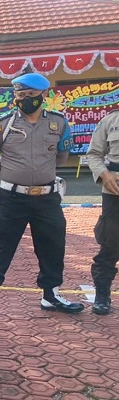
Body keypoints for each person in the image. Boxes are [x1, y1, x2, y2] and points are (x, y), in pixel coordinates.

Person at [0, 73, 84, 318]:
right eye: (20, 95)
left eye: (30, 95)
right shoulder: (3, 123)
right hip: (13, 198)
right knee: (2, 246)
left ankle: (50, 294)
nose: (25, 100)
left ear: (43, 95)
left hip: (47, 197)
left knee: (52, 245)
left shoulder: (59, 123)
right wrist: (8, 171)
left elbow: (62, 156)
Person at [87, 110, 119, 315]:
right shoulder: (110, 121)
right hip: (114, 190)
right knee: (110, 244)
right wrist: (103, 174)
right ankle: (102, 293)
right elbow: (94, 154)